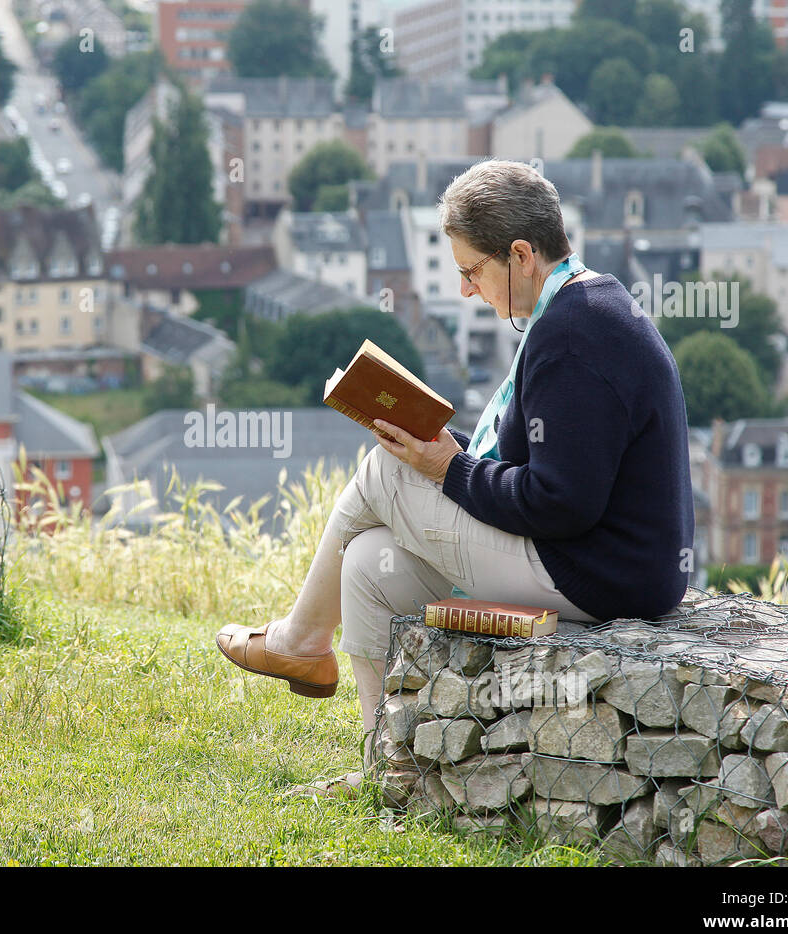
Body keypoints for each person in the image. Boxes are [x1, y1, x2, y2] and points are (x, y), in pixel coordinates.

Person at [215, 159, 695, 794]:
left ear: (520, 254)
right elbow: (540, 467)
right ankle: (389, 773)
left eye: (472, 271)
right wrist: (446, 453)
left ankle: (301, 640)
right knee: (368, 564)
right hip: (599, 562)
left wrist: (444, 465)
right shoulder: (583, 307)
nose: (468, 289)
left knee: (386, 467)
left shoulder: (572, 339)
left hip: (597, 573)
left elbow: (561, 503)